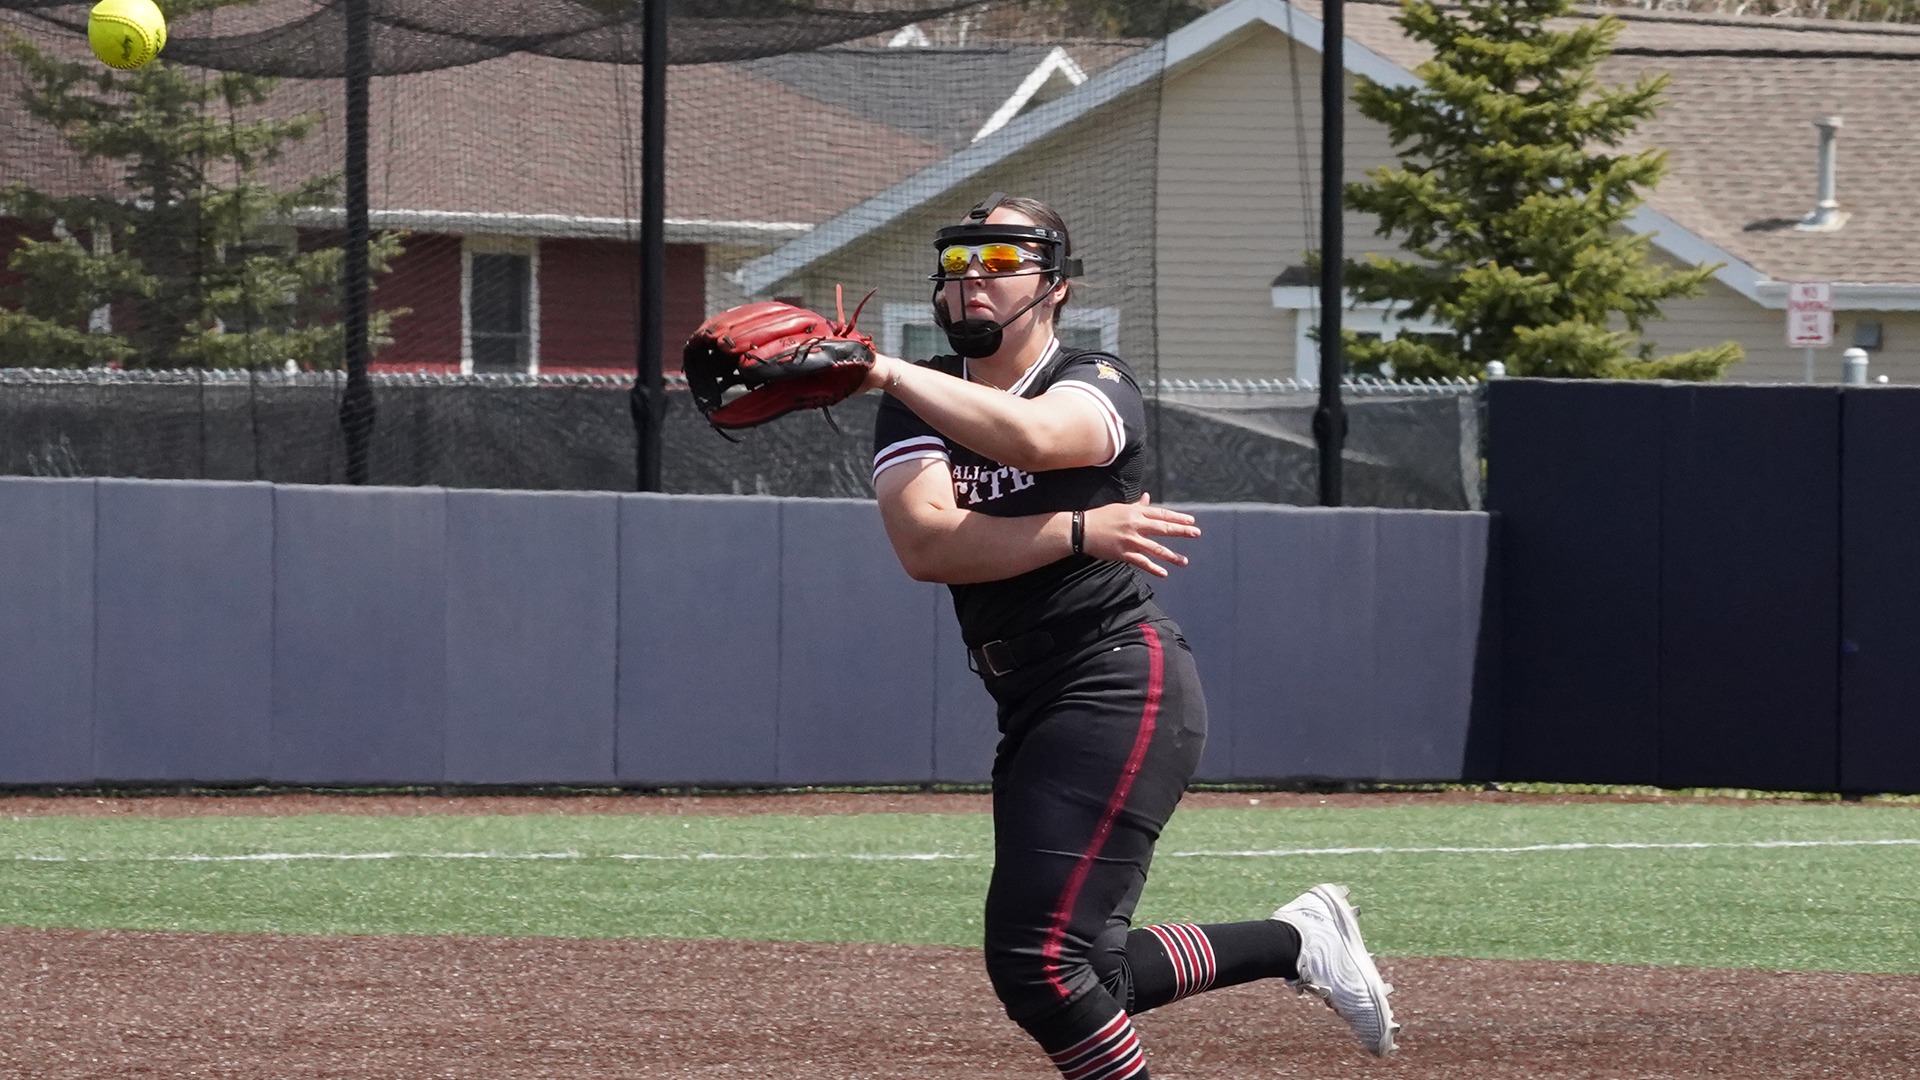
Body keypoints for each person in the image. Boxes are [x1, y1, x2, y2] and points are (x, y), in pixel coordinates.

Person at [859, 192, 1399, 1078]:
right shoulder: (921, 396)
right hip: (1029, 696)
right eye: (959, 265)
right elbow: (926, 544)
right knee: (1090, 966)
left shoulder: (1095, 379)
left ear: (1056, 287)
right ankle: (1297, 941)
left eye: (1000, 263)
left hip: (1116, 681)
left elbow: (1034, 440)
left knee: (1039, 967)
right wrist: (1080, 530)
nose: (971, 285)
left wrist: (885, 372)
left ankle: (1300, 942)